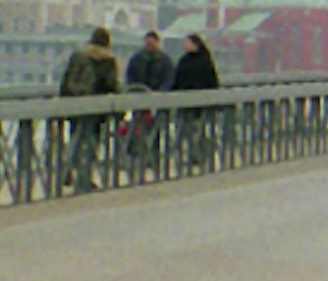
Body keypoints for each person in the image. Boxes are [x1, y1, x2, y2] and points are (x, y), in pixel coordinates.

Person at [58, 25, 124, 188]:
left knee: (75, 137)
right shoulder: (109, 60)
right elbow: (111, 84)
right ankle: (84, 176)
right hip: (96, 106)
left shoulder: (79, 56)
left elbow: (67, 80)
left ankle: (68, 167)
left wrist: (63, 101)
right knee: (91, 141)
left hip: (76, 102)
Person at [169, 30, 221, 169]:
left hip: (199, 105)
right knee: (182, 131)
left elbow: (212, 82)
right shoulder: (184, 60)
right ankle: (183, 157)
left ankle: (197, 156)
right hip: (184, 103)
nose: (185, 45)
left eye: (187, 42)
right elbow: (176, 80)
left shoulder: (204, 61)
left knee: (197, 131)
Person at [121, 27, 173, 167]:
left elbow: (169, 79)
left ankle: (151, 157)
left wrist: (161, 93)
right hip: (139, 100)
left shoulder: (164, 60)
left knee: (153, 128)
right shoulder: (137, 59)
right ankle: (137, 156)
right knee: (136, 128)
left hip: (155, 101)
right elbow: (130, 77)